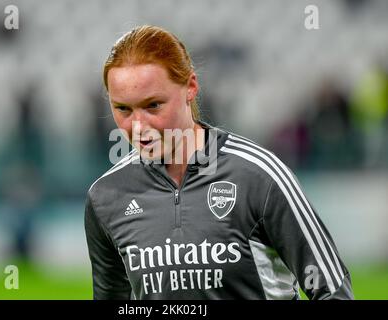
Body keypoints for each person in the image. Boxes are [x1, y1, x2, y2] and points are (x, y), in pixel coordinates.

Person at [84, 25, 354, 300]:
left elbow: (333, 291)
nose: (139, 126)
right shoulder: (106, 197)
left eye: (153, 105)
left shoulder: (259, 177)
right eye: (123, 109)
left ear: (190, 88)